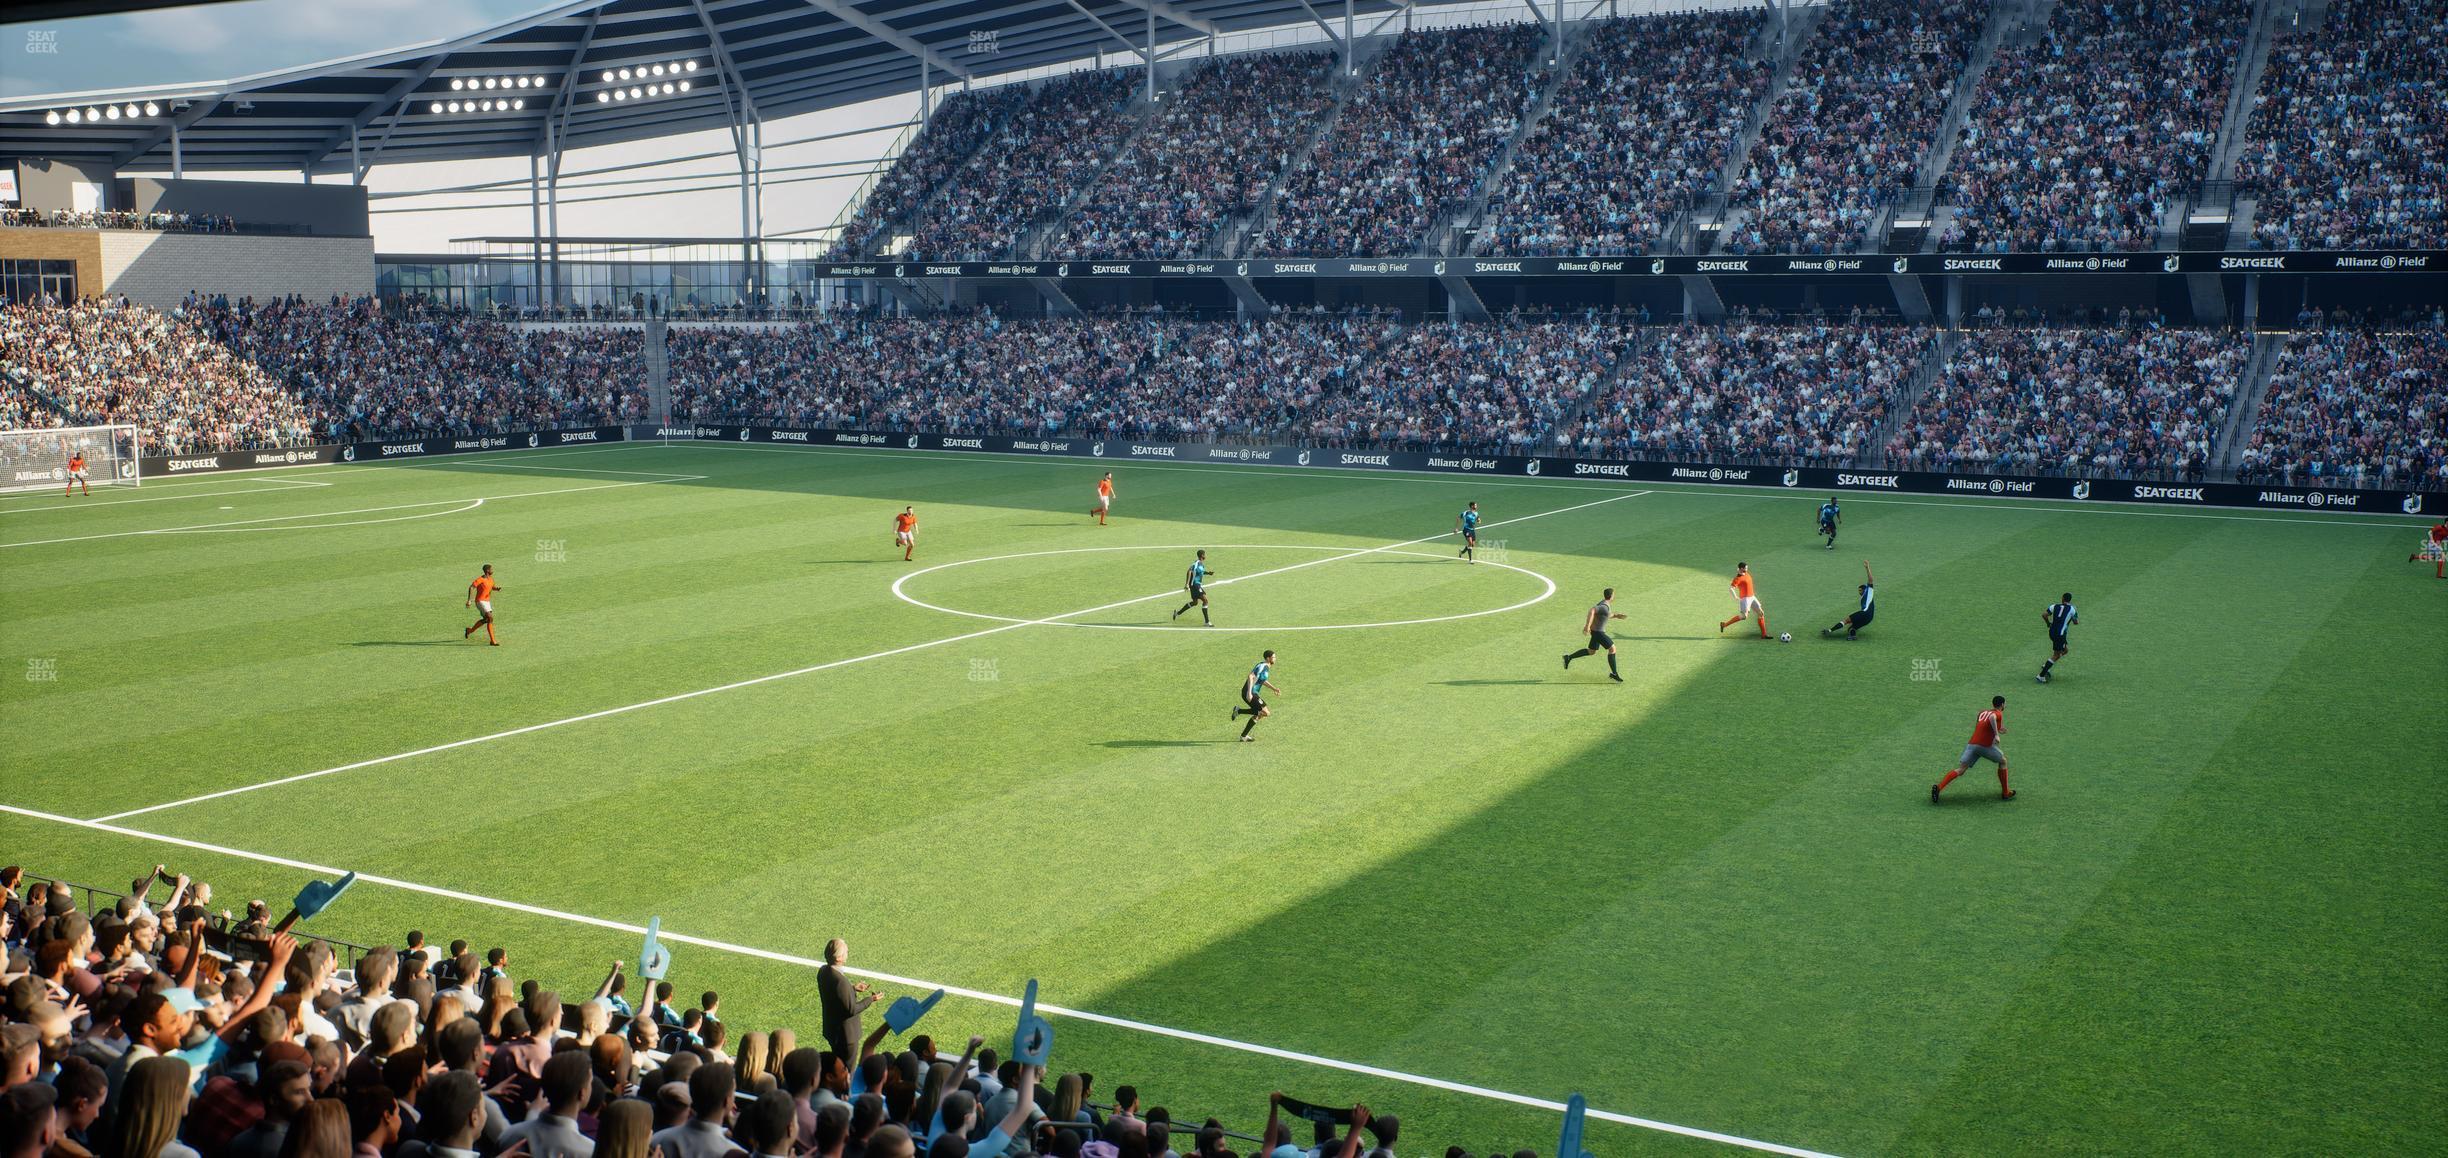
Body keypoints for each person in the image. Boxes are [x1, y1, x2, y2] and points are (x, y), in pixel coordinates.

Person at [1933, 696, 2013, 802]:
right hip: (1983, 746)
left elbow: (1982, 723)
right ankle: (2006, 793)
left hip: (1972, 744)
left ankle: (1938, 788)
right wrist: (1996, 734)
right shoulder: (1998, 713)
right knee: (2003, 761)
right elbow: (1992, 718)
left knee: (1961, 769)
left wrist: (1998, 728)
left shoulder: (1983, 712)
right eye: (2005, 703)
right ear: (2002, 704)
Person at [816, 942, 876, 1063]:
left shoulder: (823, 971)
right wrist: (871, 999)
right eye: (846, 952)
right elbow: (852, 1009)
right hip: (846, 1036)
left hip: (832, 1030)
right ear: (839, 958)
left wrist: (852, 988)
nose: (848, 954)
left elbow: (834, 994)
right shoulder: (841, 981)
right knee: (847, 1069)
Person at [1562, 588, 1626, 682]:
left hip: (1596, 631)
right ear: (1611, 596)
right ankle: (1614, 674)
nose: (1614, 596)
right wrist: (1587, 626)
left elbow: (1605, 614)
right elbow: (1592, 611)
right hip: (1598, 632)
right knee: (1612, 649)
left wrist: (1616, 616)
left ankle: (1568, 657)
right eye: (1614, 594)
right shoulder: (1604, 605)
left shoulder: (1605, 605)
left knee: (1592, 651)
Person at [1230, 651, 1283, 742]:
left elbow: (1262, 680)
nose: (1275, 659)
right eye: (1273, 657)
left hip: (1253, 693)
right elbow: (1250, 676)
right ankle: (1239, 711)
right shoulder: (1262, 666)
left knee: (1259, 714)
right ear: (1268, 658)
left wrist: (1274, 688)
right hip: (1249, 692)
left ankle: (1243, 736)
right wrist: (1249, 693)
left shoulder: (1266, 667)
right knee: (1265, 713)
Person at [1821, 561, 1874, 640]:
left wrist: (1867, 567)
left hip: (1864, 613)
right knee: (1851, 628)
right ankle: (1853, 636)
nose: (1859, 592)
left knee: (1846, 620)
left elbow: (1870, 580)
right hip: (1869, 617)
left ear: (1864, 589)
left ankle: (1830, 630)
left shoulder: (1869, 590)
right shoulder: (1864, 597)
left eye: (1860, 590)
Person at [1718, 562, 1769, 639]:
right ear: (1741, 568)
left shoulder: (1746, 573)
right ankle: (1724, 625)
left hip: (1752, 597)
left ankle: (1764, 634)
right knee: (1743, 617)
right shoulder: (1737, 579)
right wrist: (1735, 597)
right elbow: (1731, 588)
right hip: (1745, 599)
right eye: (1745, 568)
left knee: (1761, 613)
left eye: (1747, 568)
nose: (1747, 569)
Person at [2037, 593, 2077, 683]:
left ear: (2062, 598)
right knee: (2057, 655)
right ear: (2070, 600)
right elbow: (2075, 622)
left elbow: (2044, 615)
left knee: (2065, 650)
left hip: (2052, 632)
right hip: (2060, 635)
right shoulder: (2072, 609)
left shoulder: (2054, 606)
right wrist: (2074, 616)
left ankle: (2047, 665)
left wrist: (2048, 623)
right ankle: (2041, 675)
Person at [463, 566, 502, 646]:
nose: (492, 570)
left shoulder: (491, 579)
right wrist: (469, 600)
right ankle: (492, 641)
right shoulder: (480, 579)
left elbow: (492, 587)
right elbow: (471, 587)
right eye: (491, 569)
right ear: (487, 570)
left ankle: (469, 631)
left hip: (487, 602)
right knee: (490, 618)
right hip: (480, 601)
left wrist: (496, 588)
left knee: (487, 619)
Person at [1172, 551, 1213, 626]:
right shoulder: (1196, 563)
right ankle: (1207, 622)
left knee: (1195, 602)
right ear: (1202, 555)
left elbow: (1201, 572)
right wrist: (1187, 584)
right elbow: (1189, 571)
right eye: (1205, 554)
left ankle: (1177, 613)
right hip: (1195, 584)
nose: (1205, 556)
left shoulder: (1201, 565)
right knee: (1205, 600)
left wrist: (1208, 573)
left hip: (1196, 585)